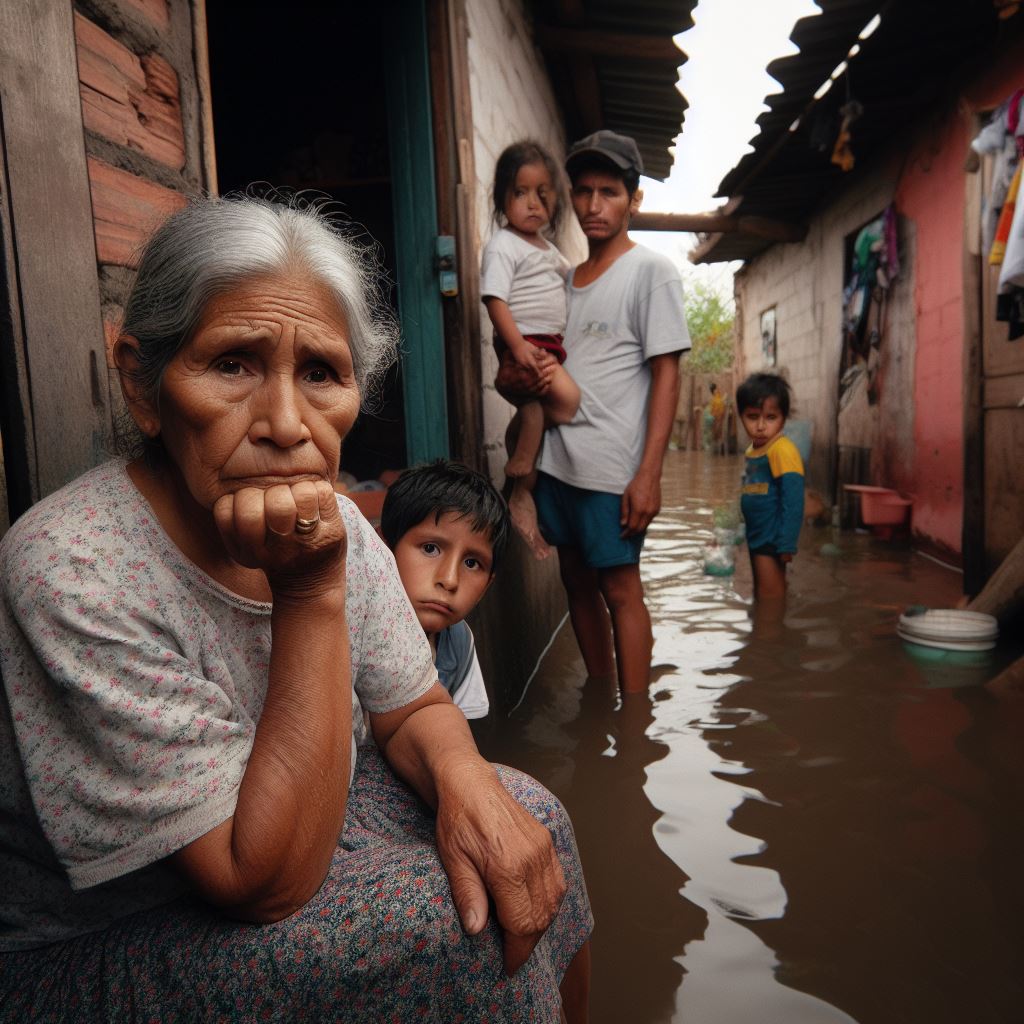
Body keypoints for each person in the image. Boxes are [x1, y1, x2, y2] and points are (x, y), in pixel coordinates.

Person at [0, 195, 592, 1023]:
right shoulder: (73, 568)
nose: (285, 424)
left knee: (533, 820)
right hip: (97, 942)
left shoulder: (343, 519)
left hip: (309, 818)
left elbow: (414, 704)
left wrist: (468, 782)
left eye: (320, 373)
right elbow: (261, 881)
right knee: (446, 925)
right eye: (234, 363)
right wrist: (311, 594)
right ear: (142, 385)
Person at [495, 130, 689, 696]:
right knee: (576, 584)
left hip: (612, 470)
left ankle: (635, 724)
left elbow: (668, 375)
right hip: (557, 464)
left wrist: (648, 474)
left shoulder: (651, 272)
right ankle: (602, 701)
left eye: (609, 192)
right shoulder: (563, 278)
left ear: (634, 199)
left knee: (622, 591)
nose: (593, 206)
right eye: (582, 192)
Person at [482, 140, 580, 560]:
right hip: (526, 347)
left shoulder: (549, 250)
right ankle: (521, 482)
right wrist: (518, 347)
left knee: (538, 410)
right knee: (563, 402)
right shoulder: (504, 244)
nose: (532, 203)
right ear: (503, 199)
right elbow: (494, 299)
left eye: (542, 194)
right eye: (520, 193)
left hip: (547, 348)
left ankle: (519, 463)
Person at [381, 460, 511, 721]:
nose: (450, 580)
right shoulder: (349, 631)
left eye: (472, 563)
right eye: (430, 548)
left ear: (487, 586)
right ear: (383, 549)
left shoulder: (459, 642)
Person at [736, 372, 805, 599]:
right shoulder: (752, 451)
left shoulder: (782, 450)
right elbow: (750, 490)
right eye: (753, 417)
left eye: (770, 417)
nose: (761, 426)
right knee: (763, 594)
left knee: (770, 598)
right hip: (756, 536)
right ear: (741, 416)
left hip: (772, 540)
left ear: (783, 418)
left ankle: (770, 632)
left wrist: (787, 544)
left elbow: (793, 501)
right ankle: (765, 631)